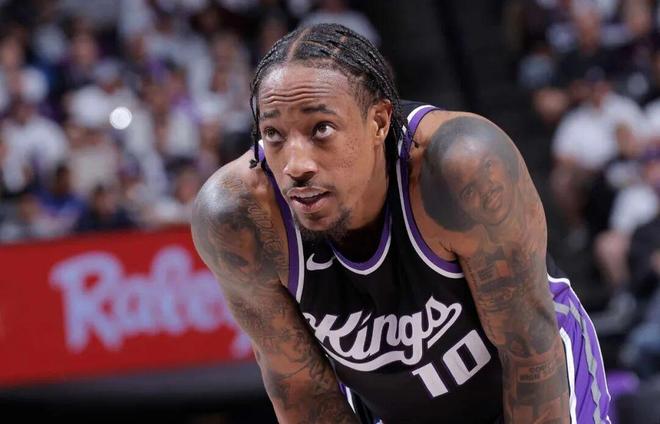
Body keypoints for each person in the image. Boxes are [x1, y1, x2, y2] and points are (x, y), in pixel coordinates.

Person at [191, 24, 610, 423]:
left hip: (530, 383)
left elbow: (529, 353)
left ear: (378, 122)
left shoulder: (459, 167)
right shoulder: (239, 216)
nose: (295, 166)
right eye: (274, 134)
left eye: (321, 129)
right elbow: (302, 393)